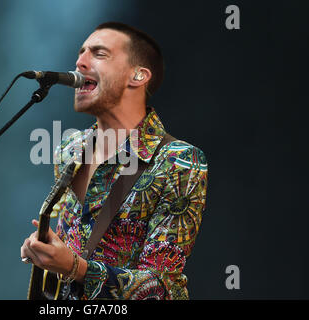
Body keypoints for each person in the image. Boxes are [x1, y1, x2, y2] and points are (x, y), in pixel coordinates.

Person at [20, 21, 208, 300]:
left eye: (98, 53)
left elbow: (162, 288)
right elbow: (70, 254)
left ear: (138, 75)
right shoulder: (69, 149)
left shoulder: (179, 161)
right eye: (81, 52)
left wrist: (74, 267)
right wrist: (46, 252)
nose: (79, 62)